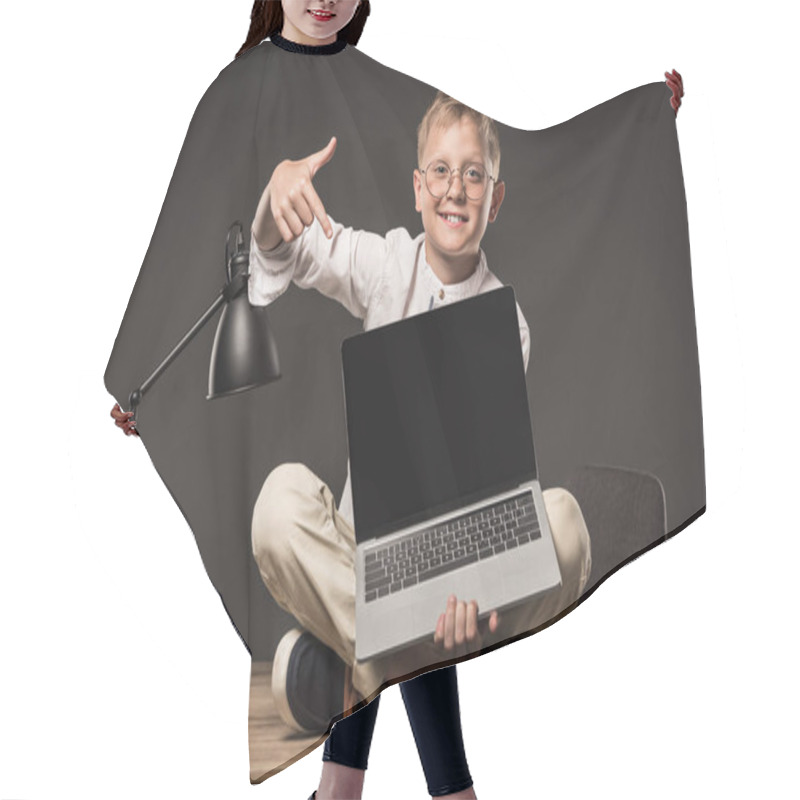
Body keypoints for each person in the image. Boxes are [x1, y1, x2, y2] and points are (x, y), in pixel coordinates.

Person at [109, 3, 685, 799]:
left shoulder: (505, 323)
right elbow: (293, 254)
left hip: (464, 564)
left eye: (474, 175)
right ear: (417, 192)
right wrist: (275, 214)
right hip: (372, 552)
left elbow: (481, 474)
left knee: (566, 525)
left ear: (496, 199)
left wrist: (644, 125)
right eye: (441, 174)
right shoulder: (385, 266)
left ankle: (345, 746)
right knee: (281, 503)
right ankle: (432, 761)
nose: (456, 190)